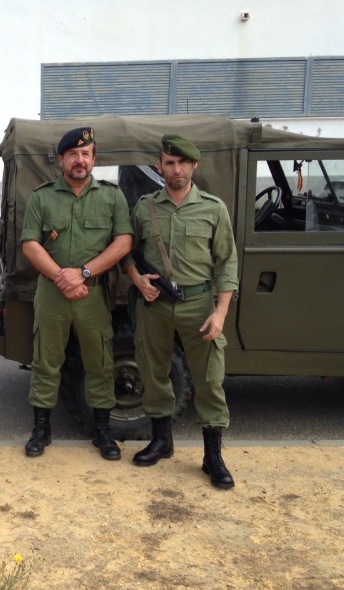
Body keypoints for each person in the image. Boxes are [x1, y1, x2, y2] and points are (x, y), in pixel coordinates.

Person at [123, 133, 239, 489]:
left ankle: (212, 455)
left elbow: (227, 264)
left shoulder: (213, 208)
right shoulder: (145, 207)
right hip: (155, 304)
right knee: (154, 371)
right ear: (160, 166)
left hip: (199, 304)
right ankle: (162, 441)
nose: (175, 169)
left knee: (208, 380)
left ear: (193, 166)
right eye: (169, 163)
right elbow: (128, 252)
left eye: (182, 163)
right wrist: (137, 280)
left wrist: (220, 313)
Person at [20, 126, 133, 460]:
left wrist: (83, 273)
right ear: (61, 160)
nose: (79, 160)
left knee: (99, 363)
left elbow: (123, 242)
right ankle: (41, 430)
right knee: (45, 362)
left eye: (86, 154)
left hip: (93, 294)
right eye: (73, 154)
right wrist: (61, 277)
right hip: (53, 294)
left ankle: (102, 431)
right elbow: (30, 244)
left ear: (94, 159)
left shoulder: (112, 197)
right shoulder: (42, 197)